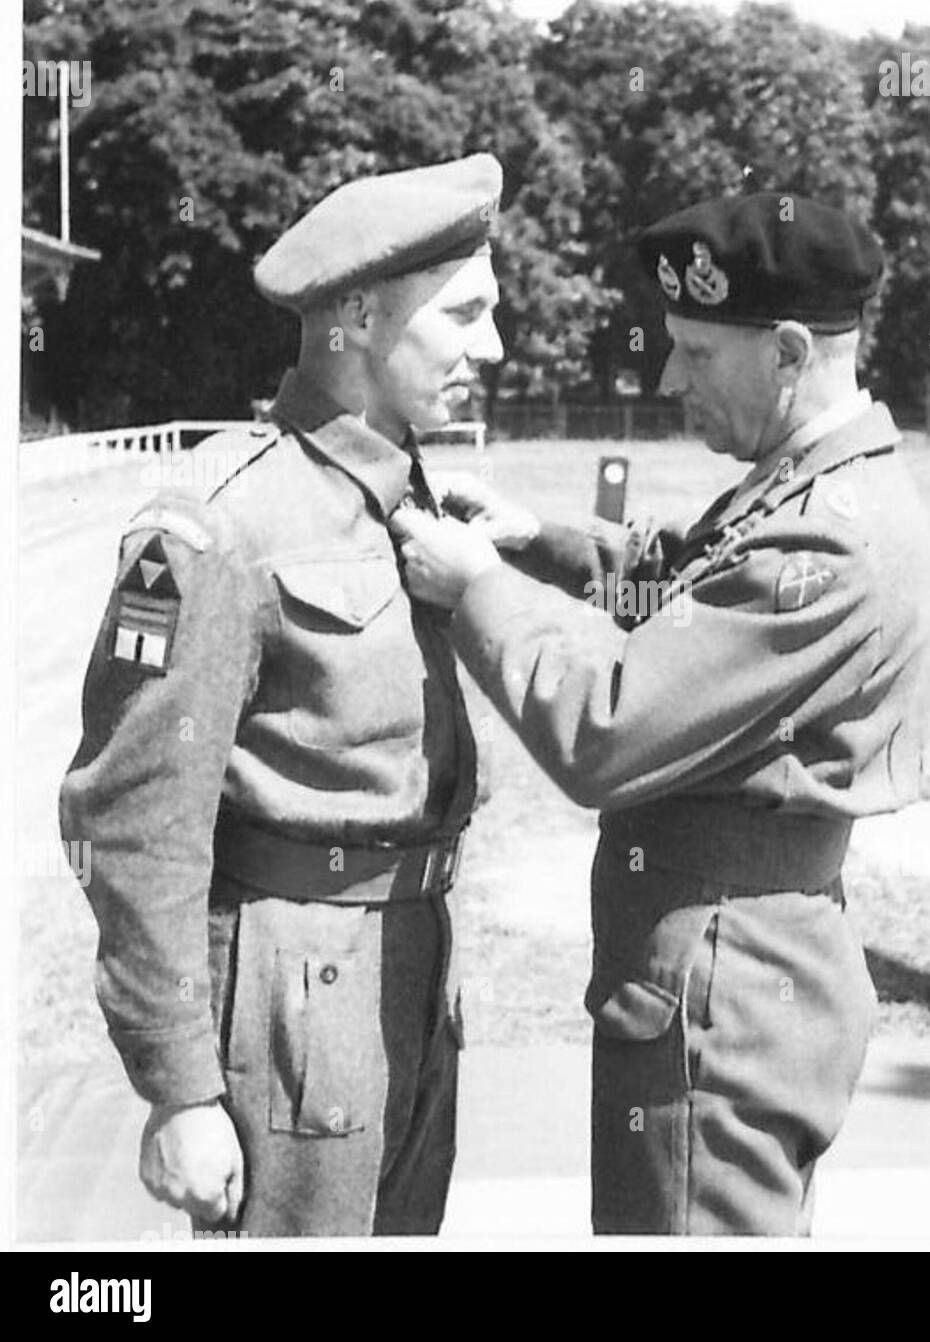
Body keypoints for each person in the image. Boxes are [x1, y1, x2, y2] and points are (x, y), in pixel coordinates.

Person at [392, 191, 930, 1235]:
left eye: (693, 350)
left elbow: (604, 729)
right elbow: (696, 572)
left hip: (720, 1008)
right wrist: (535, 539)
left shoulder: (823, 542)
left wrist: (471, 590)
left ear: (784, 350)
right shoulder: (812, 488)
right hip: (742, 978)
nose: (666, 377)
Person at [58, 155, 505, 1235]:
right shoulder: (211, 527)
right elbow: (133, 823)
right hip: (290, 1000)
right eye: (466, 314)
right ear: (357, 317)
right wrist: (179, 1088)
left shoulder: (407, 503)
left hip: (411, 968)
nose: (492, 346)